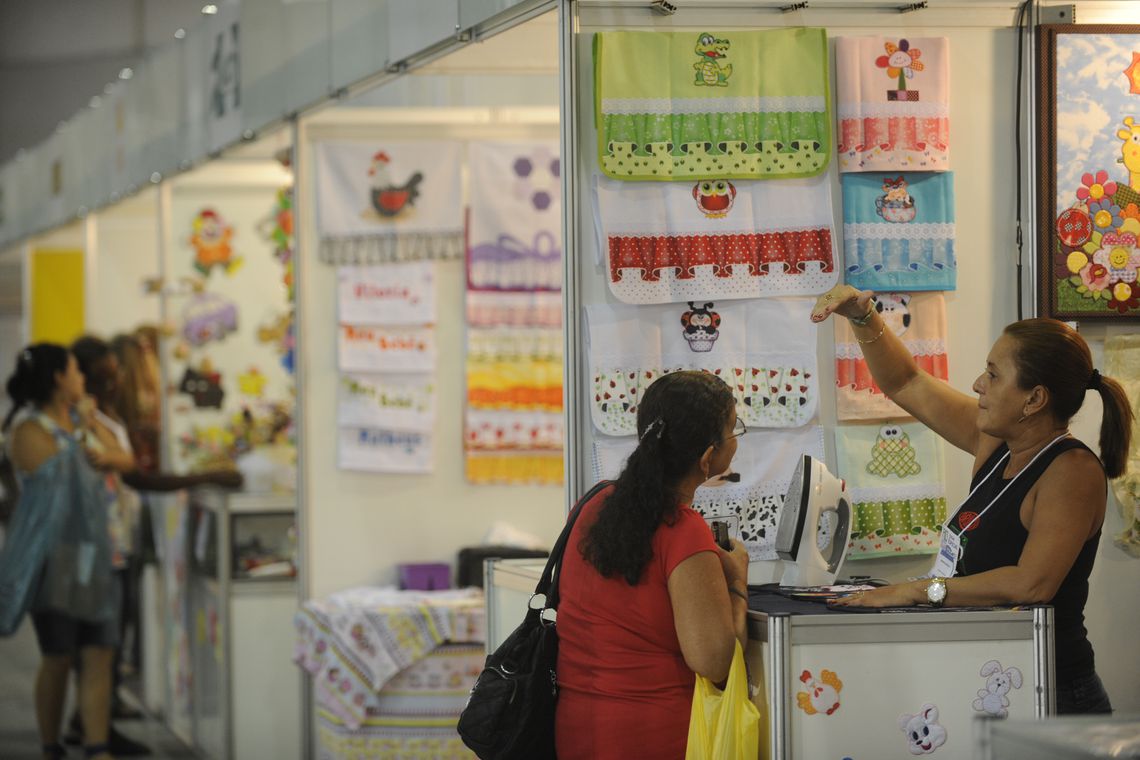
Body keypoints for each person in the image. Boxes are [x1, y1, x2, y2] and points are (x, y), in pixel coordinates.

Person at [812, 284, 1132, 715]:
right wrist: (863, 316)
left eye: (994, 375)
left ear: (1035, 399)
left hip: (1053, 694)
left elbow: (1031, 584)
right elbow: (906, 382)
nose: (978, 384)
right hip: (995, 679)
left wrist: (917, 591)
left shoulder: (1072, 471)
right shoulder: (996, 442)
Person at [555, 370, 750, 759]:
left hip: (576, 730)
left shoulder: (592, 505)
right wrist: (737, 583)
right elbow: (714, 662)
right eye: (733, 429)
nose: (736, 438)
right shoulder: (683, 530)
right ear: (707, 458)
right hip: (652, 737)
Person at [0, 344, 122, 760]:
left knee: (100, 651)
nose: (82, 378)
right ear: (58, 378)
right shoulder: (27, 430)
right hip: (54, 560)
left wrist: (90, 424)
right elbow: (63, 473)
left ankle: (97, 748)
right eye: (75, 371)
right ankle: (51, 746)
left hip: (96, 554)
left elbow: (118, 457)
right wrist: (87, 435)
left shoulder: (82, 420)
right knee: (59, 656)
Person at [70, 336, 151, 755]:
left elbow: (123, 458)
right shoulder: (76, 420)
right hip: (94, 544)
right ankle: (92, 730)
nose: (116, 379)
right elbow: (116, 460)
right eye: (108, 372)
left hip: (115, 538)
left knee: (109, 640)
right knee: (99, 643)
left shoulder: (99, 416)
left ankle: (93, 723)